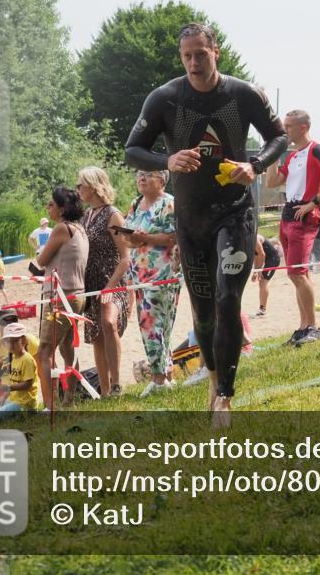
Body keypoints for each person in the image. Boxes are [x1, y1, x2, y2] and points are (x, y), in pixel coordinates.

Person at [125, 22, 286, 424]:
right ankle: (214, 380)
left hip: (235, 213)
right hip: (190, 221)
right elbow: (133, 150)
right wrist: (168, 161)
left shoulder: (244, 94)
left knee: (229, 297)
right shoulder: (164, 99)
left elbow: (278, 138)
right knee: (204, 314)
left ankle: (225, 396)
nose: (194, 62)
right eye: (187, 56)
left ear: (216, 51)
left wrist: (255, 165)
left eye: (201, 53)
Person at [264, 109, 320, 346]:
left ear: (303, 128)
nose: (284, 130)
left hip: (304, 216)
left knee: (296, 273)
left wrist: (314, 203)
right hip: (288, 214)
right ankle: (303, 326)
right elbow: (271, 182)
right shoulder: (293, 155)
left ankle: (313, 327)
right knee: (300, 273)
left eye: (288, 126)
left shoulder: (315, 150)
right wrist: (272, 155)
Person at [122, 169, 181, 398]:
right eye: (139, 174)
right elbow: (128, 238)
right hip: (139, 273)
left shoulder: (170, 204)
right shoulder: (136, 204)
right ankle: (166, 375)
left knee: (153, 323)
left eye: (148, 174)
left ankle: (158, 378)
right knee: (149, 323)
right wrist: (131, 238)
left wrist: (144, 238)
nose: (142, 178)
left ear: (162, 180)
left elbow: (175, 237)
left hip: (163, 273)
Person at [76, 167, 131, 397]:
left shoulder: (114, 215)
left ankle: (116, 384)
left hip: (114, 281)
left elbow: (126, 258)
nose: (77, 189)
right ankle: (105, 390)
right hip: (91, 284)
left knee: (108, 323)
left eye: (81, 185)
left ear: (94, 186)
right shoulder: (85, 216)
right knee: (96, 335)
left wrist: (109, 287)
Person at [34, 186, 89, 410]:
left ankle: (50, 405)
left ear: (63, 208)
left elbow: (41, 260)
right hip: (77, 294)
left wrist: (40, 256)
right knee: (68, 349)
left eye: (51, 204)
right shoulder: (80, 229)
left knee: (44, 351)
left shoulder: (61, 229)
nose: (48, 207)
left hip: (61, 296)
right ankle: (69, 401)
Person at [0, 310, 40, 410]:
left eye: (13, 322)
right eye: (5, 323)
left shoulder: (28, 341)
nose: (10, 326)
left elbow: (44, 370)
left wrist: (50, 404)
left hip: (14, 398)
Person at [0, 323, 40, 415]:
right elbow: (14, 380)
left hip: (25, 403)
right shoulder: (14, 358)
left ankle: (28, 413)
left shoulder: (27, 360)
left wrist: (9, 388)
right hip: (16, 398)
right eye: (8, 342)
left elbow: (28, 384)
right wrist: (4, 395)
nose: (11, 345)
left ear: (24, 340)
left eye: (15, 341)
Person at [252, 234, 280, 320]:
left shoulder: (254, 238)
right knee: (261, 283)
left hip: (273, 259)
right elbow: (256, 256)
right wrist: (255, 271)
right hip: (266, 259)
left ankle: (262, 310)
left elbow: (262, 254)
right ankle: (262, 309)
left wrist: (259, 269)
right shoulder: (248, 239)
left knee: (263, 282)